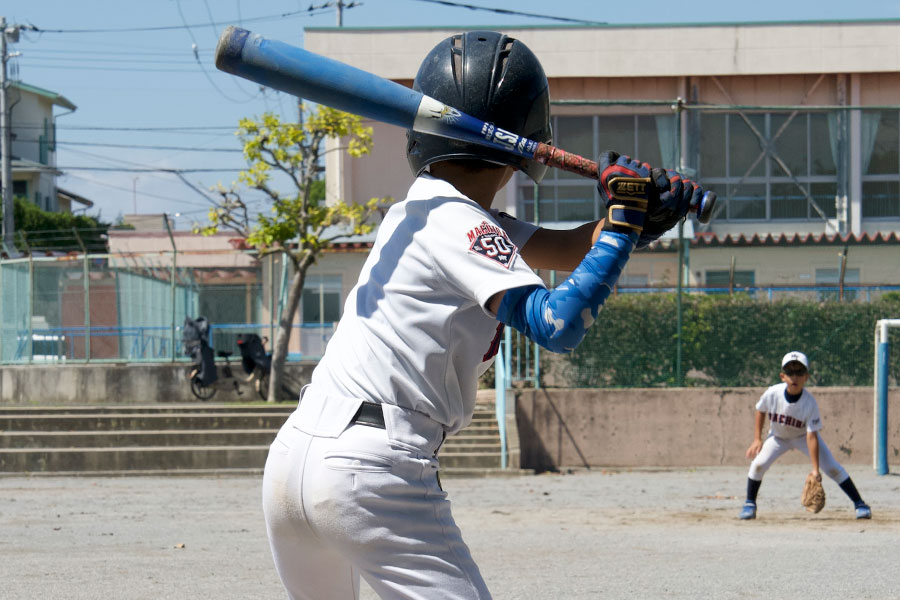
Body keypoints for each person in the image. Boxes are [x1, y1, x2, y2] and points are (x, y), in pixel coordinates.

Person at [262, 30, 704, 600]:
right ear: (526, 144)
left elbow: (567, 247)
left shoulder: (428, 212)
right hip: (371, 470)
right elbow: (557, 323)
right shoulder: (462, 224)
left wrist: (636, 220)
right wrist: (620, 227)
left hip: (297, 455)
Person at [739, 350, 872, 521]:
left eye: (799, 372)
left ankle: (860, 504)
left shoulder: (809, 403)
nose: (794, 376)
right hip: (778, 438)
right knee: (758, 464)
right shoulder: (772, 393)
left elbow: (811, 436)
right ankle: (750, 503)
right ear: (782, 376)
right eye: (790, 372)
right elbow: (760, 410)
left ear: (806, 377)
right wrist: (757, 438)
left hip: (802, 437)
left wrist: (815, 470)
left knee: (832, 467)